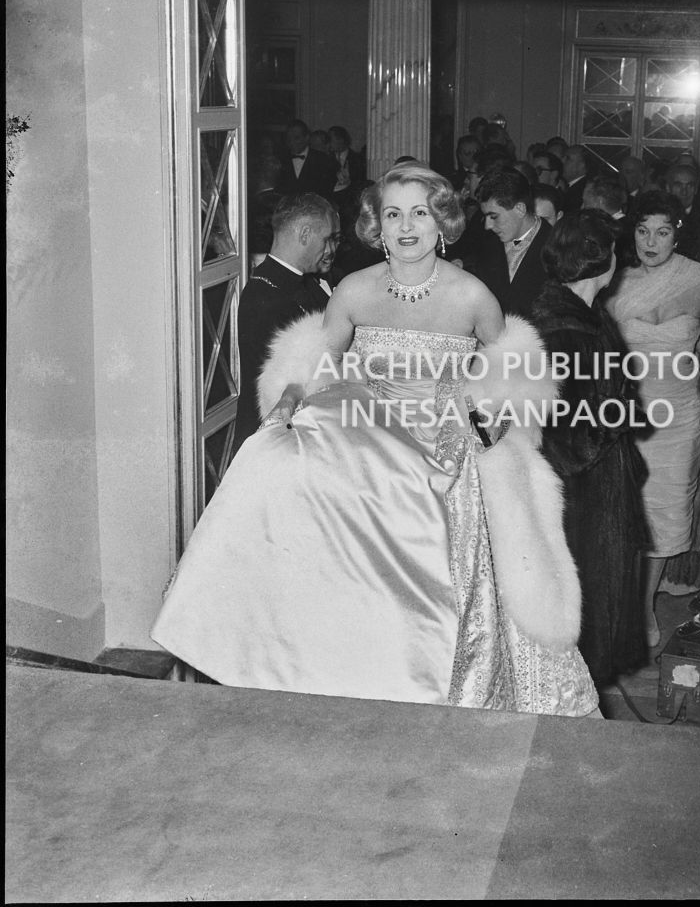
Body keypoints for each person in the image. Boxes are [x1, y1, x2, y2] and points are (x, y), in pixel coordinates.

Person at [152, 162, 599, 719]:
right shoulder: (353, 290)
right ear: (376, 226)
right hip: (365, 437)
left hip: (443, 447)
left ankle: (436, 689)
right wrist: (287, 403)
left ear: (442, 222)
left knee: (439, 578)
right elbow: (311, 362)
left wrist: (498, 412)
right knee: (271, 469)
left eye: (419, 213)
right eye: (393, 214)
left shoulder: (472, 295)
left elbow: (514, 368)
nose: (406, 226)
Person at [531, 209, 651, 689]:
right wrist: (616, 418)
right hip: (582, 495)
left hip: (590, 485)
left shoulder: (581, 318)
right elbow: (565, 434)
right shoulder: (568, 332)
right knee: (587, 598)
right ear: (603, 263)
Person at [604, 191, 700, 647]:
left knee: (665, 514)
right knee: (624, 511)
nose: (652, 241)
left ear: (678, 233)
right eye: (643, 230)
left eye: (663, 231)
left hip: (679, 414)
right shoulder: (615, 281)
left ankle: (646, 607)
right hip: (628, 414)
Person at [231, 193, 338, 457]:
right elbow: (286, 386)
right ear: (304, 234)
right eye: (327, 239)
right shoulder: (263, 296)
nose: (330, 249)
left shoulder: (306, 282)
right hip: (273, 438)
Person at [473, 167, 552, 320]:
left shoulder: (557, 247)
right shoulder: (488, 241)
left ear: (520, 209)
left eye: (494, 216)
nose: (487, 226)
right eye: (485, 217)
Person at [278, 119, 338, 202]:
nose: (291, 142)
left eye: (296, 138)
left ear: (307, 138)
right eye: (288, 138)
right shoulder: (280, 160)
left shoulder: (323, 160)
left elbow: (328, 193)